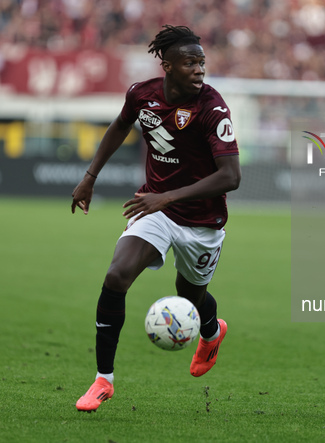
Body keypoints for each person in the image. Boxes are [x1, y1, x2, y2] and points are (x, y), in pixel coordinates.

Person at [71, 25, 241, 412]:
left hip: (201, 221)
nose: (199, 69)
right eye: (189, 62)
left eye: (201, 62)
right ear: (166, 65)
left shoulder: (212, 109)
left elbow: (231, 176)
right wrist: (89, 177)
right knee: (116, 276)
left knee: (191, 295)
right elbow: (119, 125)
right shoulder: (141, 94)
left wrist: (167, 196)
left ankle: (212, 331)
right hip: (156, 210)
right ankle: (103, 380)